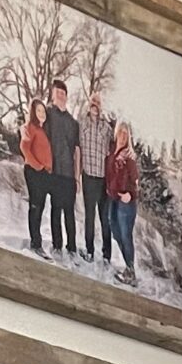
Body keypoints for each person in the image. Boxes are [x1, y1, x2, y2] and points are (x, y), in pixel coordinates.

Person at [44, 79, 81, 258]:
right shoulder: (48, 114)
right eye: (57, 92)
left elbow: (77, 150)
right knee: (55, 210)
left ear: (66, 96)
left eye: (63, 93)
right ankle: (56, 245)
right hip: (53, 171)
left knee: (69, 213)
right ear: (53, 95)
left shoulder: (73, 123)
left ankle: (72, 248)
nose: (60, 95)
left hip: (69, 174)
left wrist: (77, 177)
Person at [78, 88, 112, 261]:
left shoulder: (107, 128)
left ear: (101, 107)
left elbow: (112, 152)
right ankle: (89, 251)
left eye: (98, 103)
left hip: (103, 179)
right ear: (89, 104)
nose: (95, 105)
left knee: (104, 218)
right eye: (93, 102)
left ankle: (107, 255)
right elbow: (77, 149)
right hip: (88, 176)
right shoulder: (82, 124)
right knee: (89, 216)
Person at [105, 120, 139, 281]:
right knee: (115, 230)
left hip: (126, 200)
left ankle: (130, 271)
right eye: (121, 132)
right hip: (113, 197)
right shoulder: (112, 152)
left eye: (126, 134)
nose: (123, 136)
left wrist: (130, 195)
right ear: (116, 133)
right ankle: (128, 265)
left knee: (126, 235)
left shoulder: (129, 156)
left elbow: (136, 180)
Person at [19, 99, 52, 253]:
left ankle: (37, 240)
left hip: (44, 174)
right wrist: (38, 166)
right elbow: (24, 148)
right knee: (35, 207)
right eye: (38, 110)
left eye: (43, 111)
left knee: (41, 206)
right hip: (33, 172)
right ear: (33, 112)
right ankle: (36, 243)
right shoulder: (29, 127)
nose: (41, 113)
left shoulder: (42, 130)